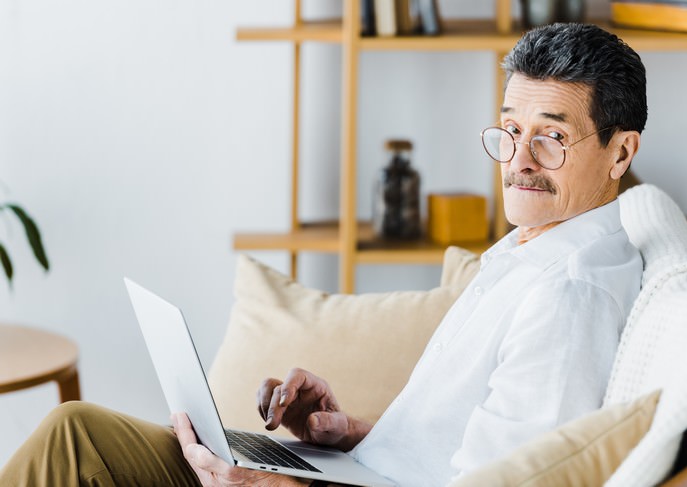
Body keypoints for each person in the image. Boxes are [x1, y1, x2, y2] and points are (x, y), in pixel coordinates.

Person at [0, 22, 646, 487]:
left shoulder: (571, 294)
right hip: (354, 469)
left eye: (552, 137)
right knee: (76, 430)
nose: (519, 161)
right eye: (510, 130)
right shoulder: (534, 247)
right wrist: (349, 433)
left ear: (621, 151)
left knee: (73, 441)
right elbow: (453, 451)